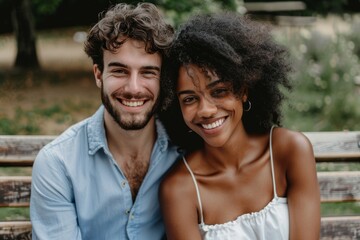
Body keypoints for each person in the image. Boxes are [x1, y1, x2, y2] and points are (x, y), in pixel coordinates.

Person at [159, 12, 321, 240]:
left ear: (244, 90)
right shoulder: (179, 189)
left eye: (219, 91)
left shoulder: (289, 151)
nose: (206, 110)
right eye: (189, 99)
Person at [30, 3, 180, 240]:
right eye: (120, 71)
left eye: (148, 72)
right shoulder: (58, 164)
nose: (133, 88)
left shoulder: (184, 149)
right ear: (98, 75)